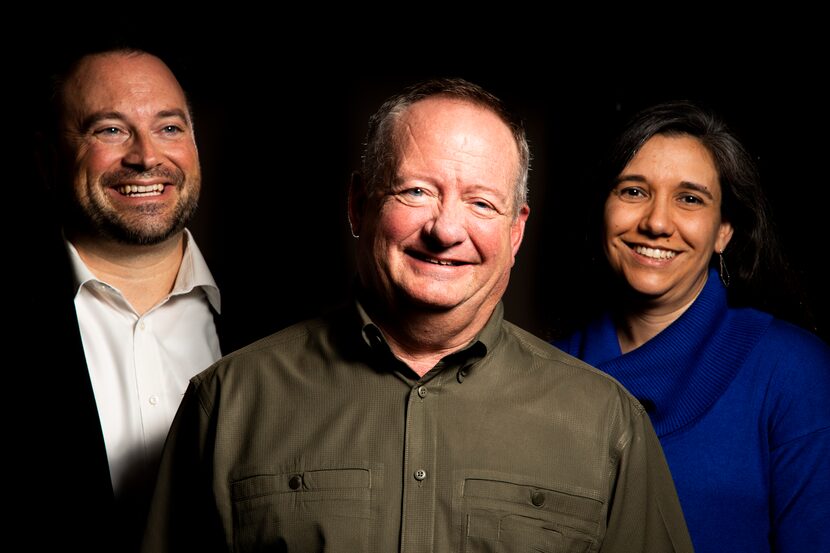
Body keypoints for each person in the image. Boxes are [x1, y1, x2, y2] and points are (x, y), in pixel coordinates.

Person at [141, 78, 693, 552]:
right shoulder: (228, 405)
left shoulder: (608, 425)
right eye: (417, 191)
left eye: (481, 202)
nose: (446, 230)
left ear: (516, 229)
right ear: (358, 204)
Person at [553, 100, 830, 553]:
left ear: (724, 231)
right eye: (633, 191)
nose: (657, 223)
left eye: (689, 199)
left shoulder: (793, 372)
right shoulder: (547, 370)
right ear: (603, 209)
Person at [12, 47, 232, 553]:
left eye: (170, 128)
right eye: (109, 130)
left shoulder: (288, 324)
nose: (146, 156)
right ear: (48, 161)